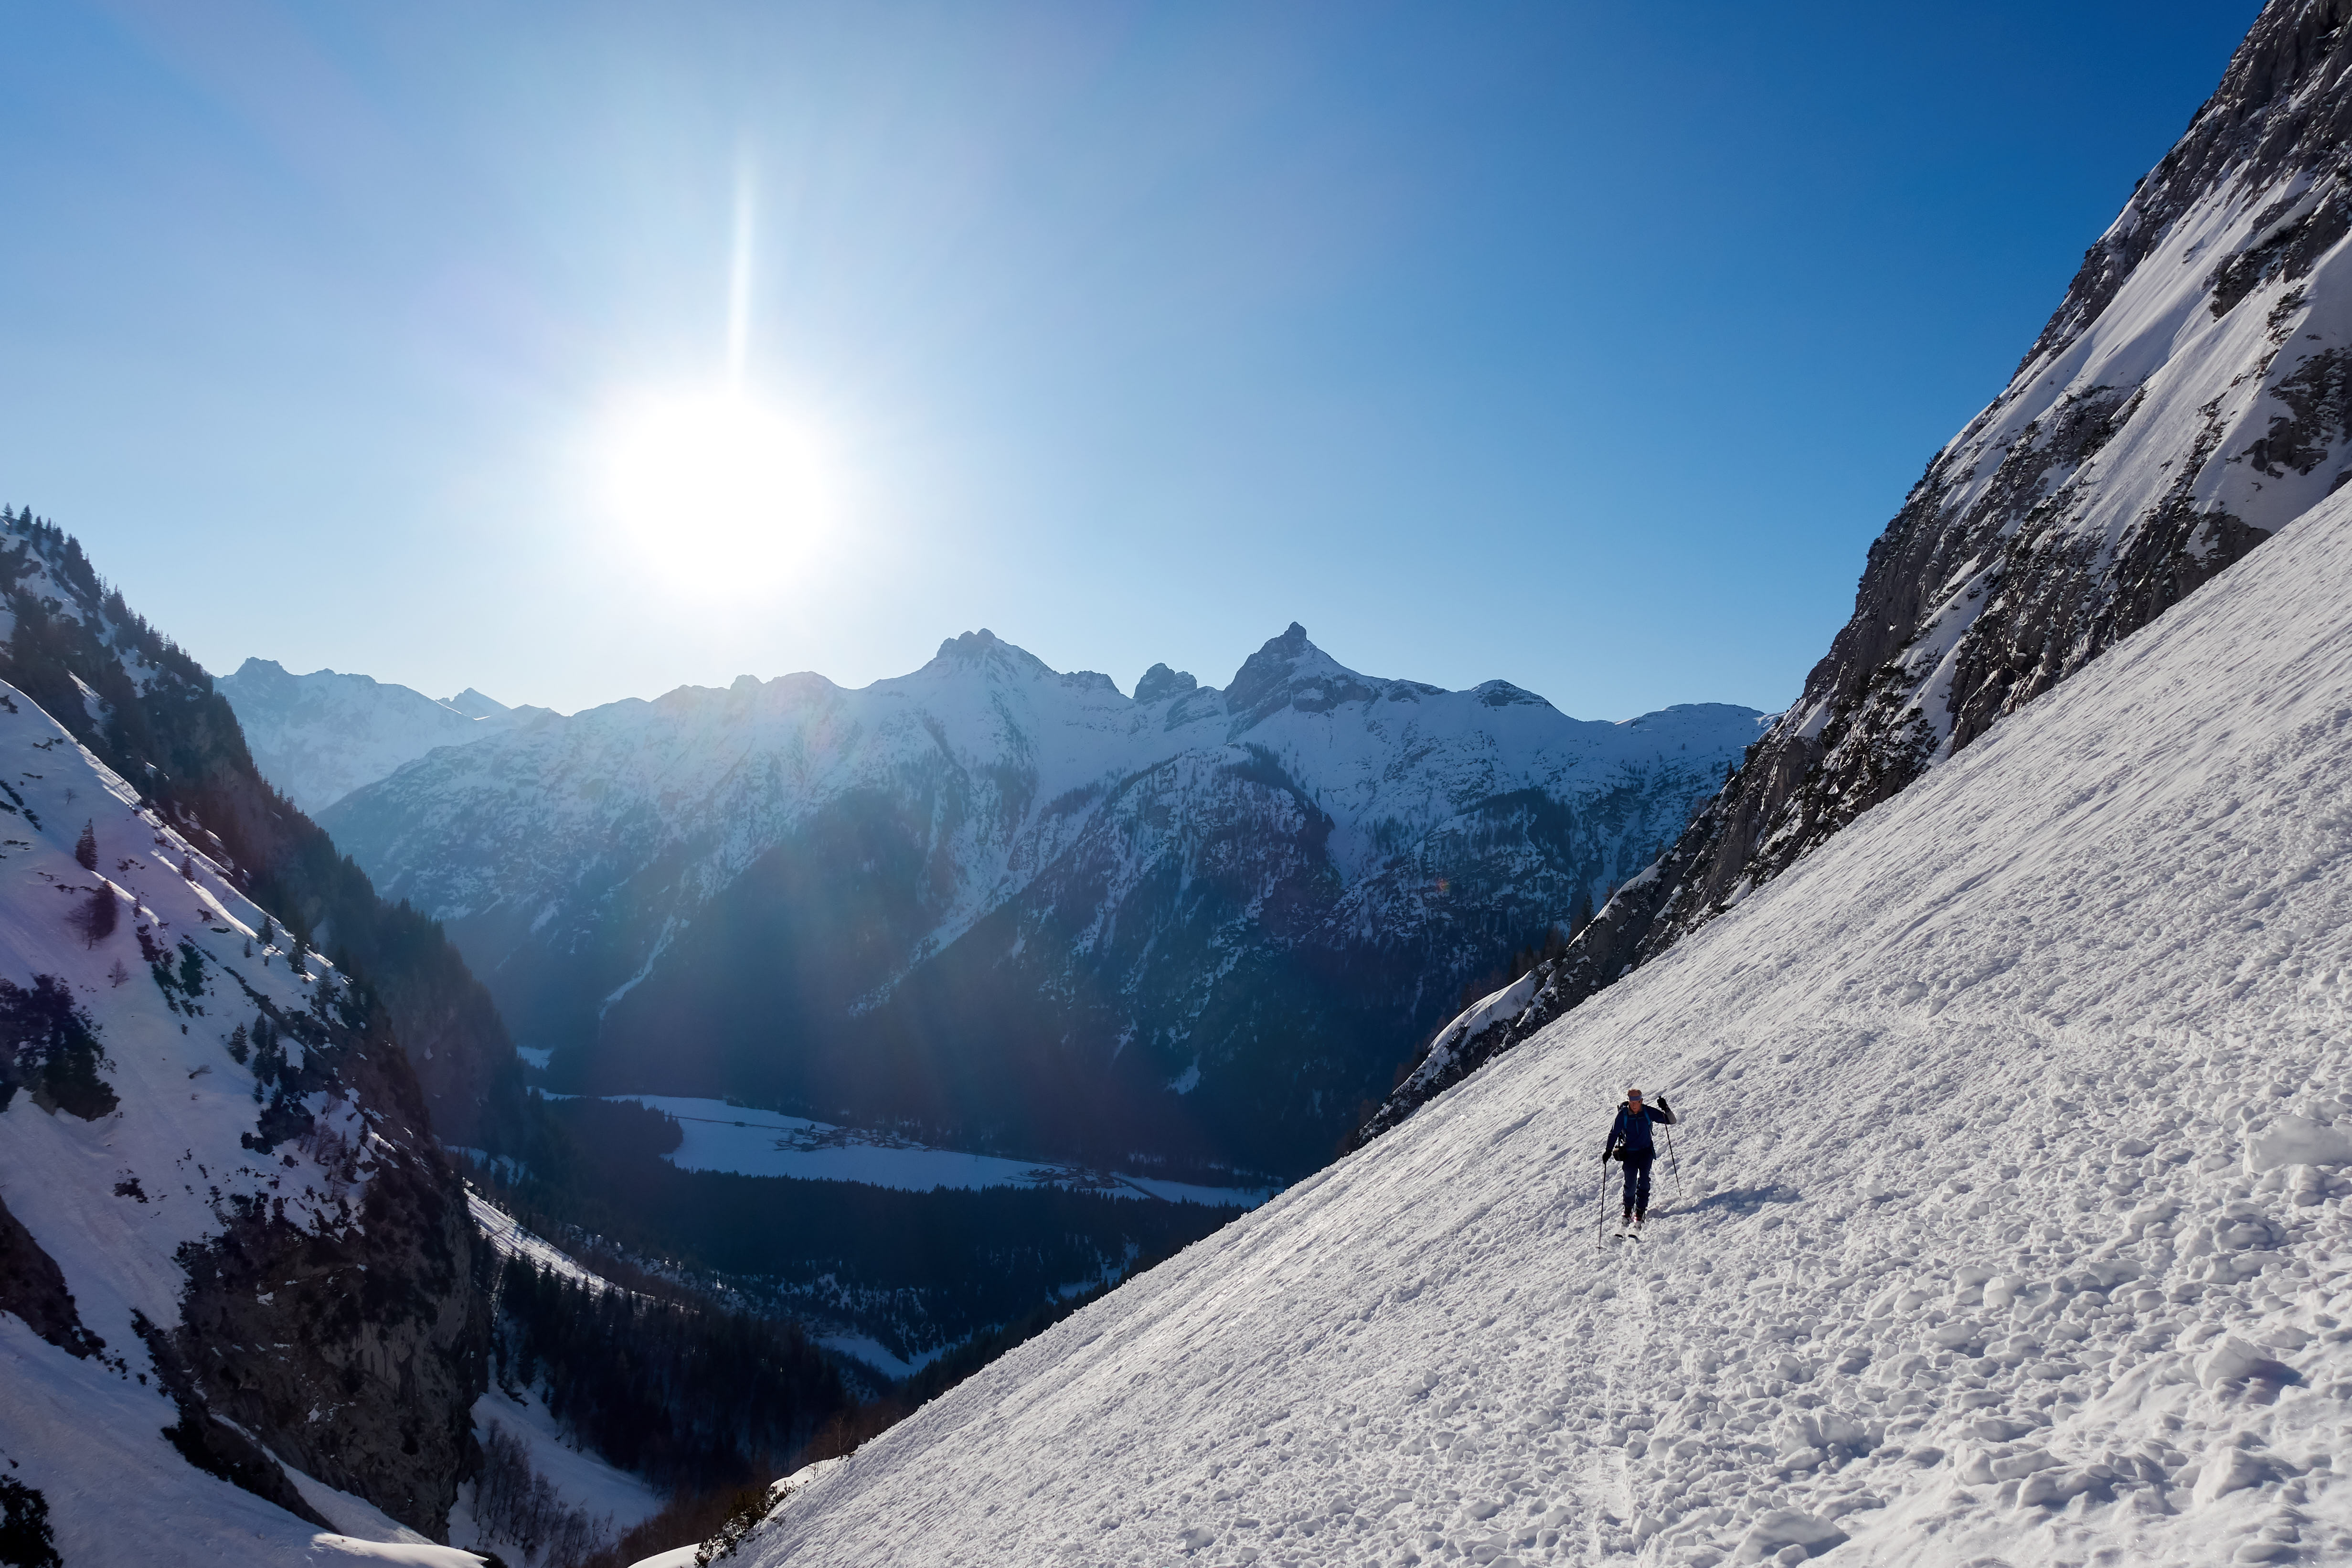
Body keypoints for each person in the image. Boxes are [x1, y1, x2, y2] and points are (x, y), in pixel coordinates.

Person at [1601, 1087, 1675, 1232]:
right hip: (1630, 1153)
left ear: (1641, 1100)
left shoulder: (1648, 1111)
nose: (1634, 1104)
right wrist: (1608, 1151)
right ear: (1629, 1101)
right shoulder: (1623, 1115)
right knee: (1630, 1183)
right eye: (1632, 1101)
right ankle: (1628, 1209)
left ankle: (1640, 1209)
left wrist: (1666, 1108)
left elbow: (1671, 1121)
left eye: (1637, 1101)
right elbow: (1614, 1133)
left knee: (1643, 1180)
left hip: (1646, 1152)